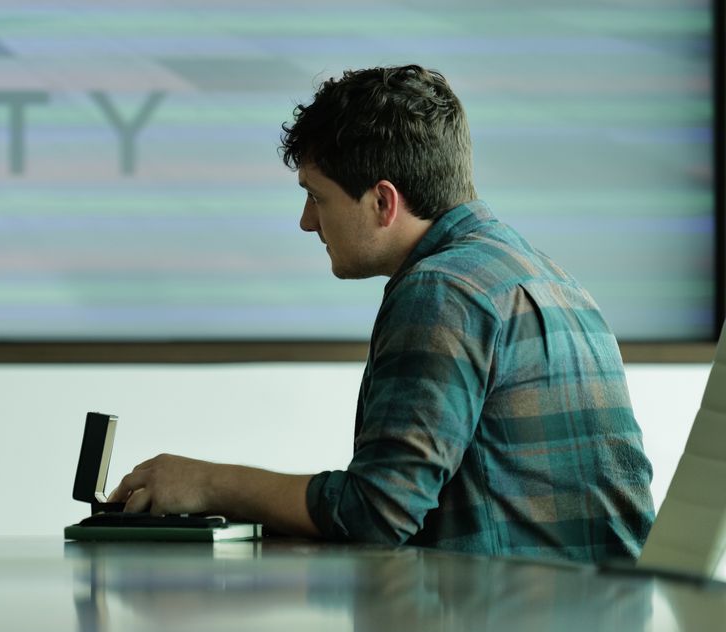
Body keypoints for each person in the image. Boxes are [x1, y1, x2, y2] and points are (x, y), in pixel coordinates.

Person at [109, 65, 655, 562]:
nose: (305, 222)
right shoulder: (551, 279)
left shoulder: (442, 291)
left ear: (383, 202)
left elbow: (377, 512)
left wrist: (209, 484)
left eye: (317, 197)